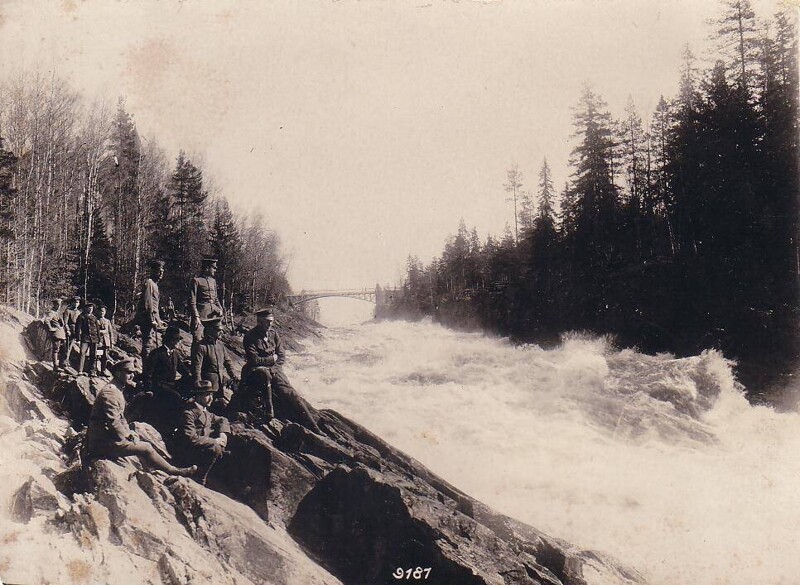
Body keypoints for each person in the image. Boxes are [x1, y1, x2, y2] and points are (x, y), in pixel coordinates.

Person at [83, 358, 196, 477]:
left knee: (139, 436)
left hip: (107, 437)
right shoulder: (111, 393)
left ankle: (156, 468)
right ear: (118, 373)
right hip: (101, 443)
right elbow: (113, 422)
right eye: (128, 372)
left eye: (133, 373)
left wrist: (129, 432)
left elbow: (121, 418)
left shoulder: (116, 389)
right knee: (146, 447)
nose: (132, 376)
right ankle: (173, 471)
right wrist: (126, 436)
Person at [242, 307, 322, 433]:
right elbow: (254, 360)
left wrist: (274, 368)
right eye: (267, 321)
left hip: (274, 370)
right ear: (260, 321)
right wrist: (272, 359)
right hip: (257, 372)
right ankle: (269, 412)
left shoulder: (274, 334)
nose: (270, 323)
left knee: (292, 395)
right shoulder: (250, 336)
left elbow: (281, 356)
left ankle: (315, 428)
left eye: (271, 321)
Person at [175, 380, 231, 483]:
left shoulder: (206, 412)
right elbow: (191, 438)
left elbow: (223, 420)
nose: (211, 398)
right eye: (208, 395)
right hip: (188, 452)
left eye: (212, 395)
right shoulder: (189, 413)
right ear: (198, 396)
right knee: (216, 448)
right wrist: (215, 441)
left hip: (202, 449)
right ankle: (200, 478)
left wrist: (223, 435)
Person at [142, 324, 190, 430]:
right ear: (171, 340)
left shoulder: (175, 354)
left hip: (171, 385)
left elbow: (183, 369)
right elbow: (148, 373)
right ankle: (174, 426)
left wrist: (191, 375)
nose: (178, 342)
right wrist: (148, 389)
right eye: (177, 340)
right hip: (159, 386)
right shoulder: (157, 354)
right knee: (176, 399)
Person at [192, 317, 237, 409]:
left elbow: (228, 363)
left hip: (220, 383)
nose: (221, 332)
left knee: (219, 407)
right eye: (218, 330)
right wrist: (199, 385)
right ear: (209, 330)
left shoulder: (221, 346)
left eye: (221, 330)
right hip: (207, 385)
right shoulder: (201, 347)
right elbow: (197, 367)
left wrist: (234, 376)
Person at [189, 256, 224, 345]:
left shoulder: (213, 281)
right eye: (214, 267)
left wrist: (220, 309)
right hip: (201, 316)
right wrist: (196, 317)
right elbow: (192, 301)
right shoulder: (196, 280)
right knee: (198, 340)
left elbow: (215, 299)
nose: (215, 270)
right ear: (207, 268)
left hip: (213, 316)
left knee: (213, 340)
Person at [136, 260, 166, 361]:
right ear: (153, 271)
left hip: (154, 318)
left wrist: (159, 320)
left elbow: (155, 306)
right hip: (147, 319)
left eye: (162, 271)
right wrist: (152, 319)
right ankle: (146, 369)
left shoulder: (155, 285)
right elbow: (147, 303)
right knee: (147, 344)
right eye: (159, 271)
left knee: (154, 344)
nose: (161, 273)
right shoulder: (149, 283)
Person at [76, 302, 101, 376]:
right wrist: (78, 339)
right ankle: (80, 370)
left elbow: (97, 330)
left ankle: (92, 371)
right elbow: (78, 328)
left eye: (92, 308)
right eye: (89, 308)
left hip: (94, 339)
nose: (90, 309)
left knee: (93, 355)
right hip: (85, 338)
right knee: (82, 353)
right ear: (86, 308)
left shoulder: (94, 318)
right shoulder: (81, 317)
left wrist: (99, 340)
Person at [44, 298, 67, 370]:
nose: (59, 306)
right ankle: (55, 366)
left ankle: (61, 364)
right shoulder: (51, 312)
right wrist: (51, 329)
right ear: (55, 304)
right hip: (56, 334)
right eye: (58, 305)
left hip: (62, 334)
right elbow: (46, 321)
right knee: (56, 349)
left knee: (63, 350)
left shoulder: (57, 313)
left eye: (60, 305)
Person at [96, 305, 115, 376]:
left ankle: (103, 371)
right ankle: (96, 370)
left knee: (104, 357)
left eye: (103, 311)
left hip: (106, 342)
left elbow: (110, 332)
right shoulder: (96, 320)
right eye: (100, 311)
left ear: (105, 312)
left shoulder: (107, 321)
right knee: (98, 356)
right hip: (99, 342)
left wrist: (112, 342)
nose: (102, 313)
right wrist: (101, 331)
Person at [63, 296, 82, 365]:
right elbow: (65, 322)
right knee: (67, 346)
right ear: (72, 303)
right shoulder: (68, 311)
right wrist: (67, 330)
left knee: (72, 346)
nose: (76, 304)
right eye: (75, 302)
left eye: (78, 302)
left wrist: (80, 331)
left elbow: (80, 323)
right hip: (70, 329)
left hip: (77, 330)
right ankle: (64, 361)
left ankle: (68, 360)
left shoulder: (79, 312)